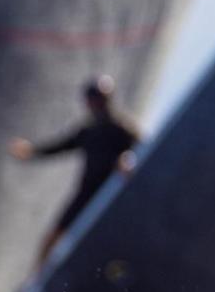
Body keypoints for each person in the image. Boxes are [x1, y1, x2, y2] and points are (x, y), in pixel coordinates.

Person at [9, 75, 139, 277]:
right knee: (53, 237)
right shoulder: (87, 131)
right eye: (92, 98)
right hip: (85, 193)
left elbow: (143, 152)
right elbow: (60, 146)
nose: (96, 103)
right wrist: (31, 151)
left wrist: (128, 161)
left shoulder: (122, 129)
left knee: (96, 247)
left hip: (109, 197)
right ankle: (34, 284)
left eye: (100, 98)